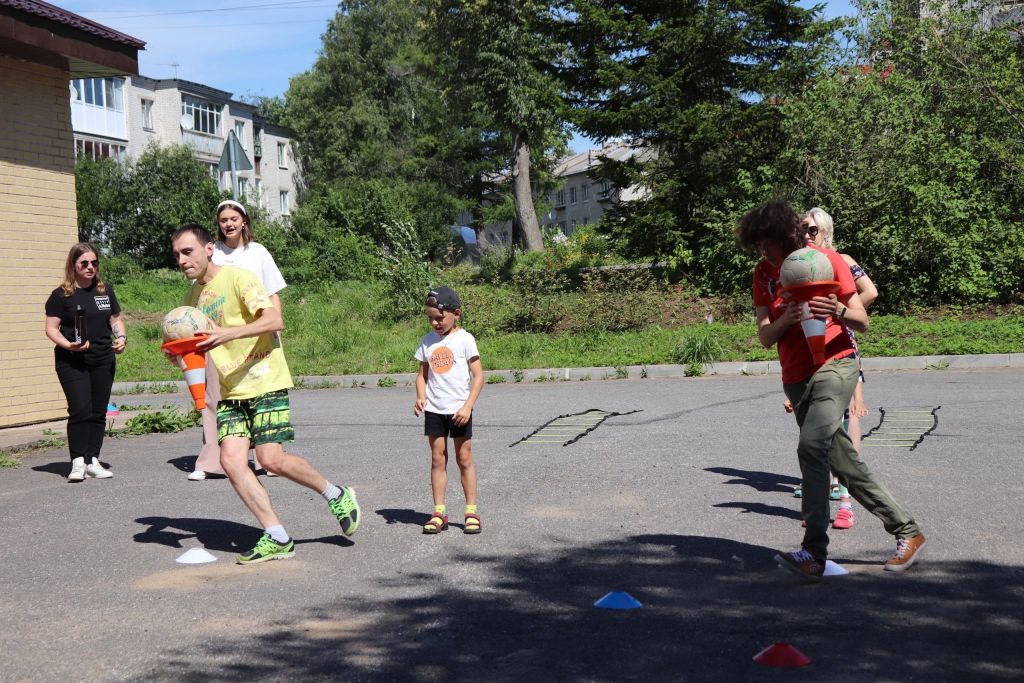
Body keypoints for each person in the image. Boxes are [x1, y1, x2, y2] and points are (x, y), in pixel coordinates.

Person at [737, 201, 925, 581]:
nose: (762, 252)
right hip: (796, 377)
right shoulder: (762, 274)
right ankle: (908, 531)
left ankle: (813, 552)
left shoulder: (826, 260)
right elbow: (763, 337)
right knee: (842, 461)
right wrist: (785, 319)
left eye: (767, 243)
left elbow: (863, 320)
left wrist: (837, 309)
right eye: (757, 245)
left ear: (785, 236)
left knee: (811, 448)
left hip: (836, 365)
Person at [170, 225, 360, 564]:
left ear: (208, 249)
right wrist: (178, 351)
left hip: (264, 378)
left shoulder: (239, 278)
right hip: (231, 389)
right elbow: (196, 345)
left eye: (188, 252)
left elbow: (274, 320)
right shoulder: (191, 300)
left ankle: (337, 494)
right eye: (177, 255)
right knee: (230, 461)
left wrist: (229, 334)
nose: (182, 260)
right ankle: (277, 537)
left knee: (271, 459)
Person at [189, 199, 286, 481]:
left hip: (254, 336)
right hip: (220, 339)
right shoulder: (212, 253)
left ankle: (268, 458)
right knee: (215, 398)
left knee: (261, 393)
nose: (229, 224)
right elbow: (200, 293)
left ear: (244, 221)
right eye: (223, 220)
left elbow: (272, 293)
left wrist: (274, 323)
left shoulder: (258, 253)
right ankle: (211, 460)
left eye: (234, 218)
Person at [799, 207, 879, 529]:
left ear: (826, 231)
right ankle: (823, 488)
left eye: (813, 230)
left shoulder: (841, 260)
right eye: (802, 229)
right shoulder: (800, 263)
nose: (806, 235)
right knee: (816, 419)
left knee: (846, 417)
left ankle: (847, 496)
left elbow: (869, 292)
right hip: (808, 347)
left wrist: (842, 311)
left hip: (840, 345)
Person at [45, 243, 126, 482]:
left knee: (98, 412)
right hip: (72, 361)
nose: (90, 268)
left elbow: (115, 319)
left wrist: (121, 337)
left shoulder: (104, 291)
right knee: (80, 409)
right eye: (84, 264)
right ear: (74, 266)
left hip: (103, 359)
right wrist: (69, 345)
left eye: (94, 263)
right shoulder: (61, 295)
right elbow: (51, 329)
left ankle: (93, 460)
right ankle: (78, 462)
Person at [413, 286, 484, 534]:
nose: (435, 323)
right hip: (435, 409)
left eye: (439, 318)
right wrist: (421, 397)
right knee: (437, 458)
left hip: (459, 410)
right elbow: (421, 376)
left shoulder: (465, 339)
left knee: (464, 458)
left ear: (456, 313)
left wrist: (467, 406)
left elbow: (478, 377)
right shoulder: (427, 342)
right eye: (430, 318)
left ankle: (471, 511)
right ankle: (439, 512)